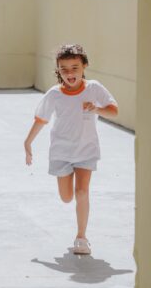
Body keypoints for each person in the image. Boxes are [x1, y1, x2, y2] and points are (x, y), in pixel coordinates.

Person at [24, 44, 118, 255]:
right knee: (67, 197)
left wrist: (98, 109)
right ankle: (75, 219)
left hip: (86, 150)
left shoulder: (94, 88)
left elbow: (114, 110)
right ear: (58, 70)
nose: (69, 73)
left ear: (84, 66)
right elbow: (41, 119)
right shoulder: (54, 94)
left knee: (82, 191)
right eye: (64, 69)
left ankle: (81, 237)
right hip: (61, 153)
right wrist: (28, 142)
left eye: (74, 67)